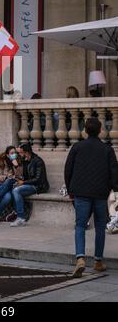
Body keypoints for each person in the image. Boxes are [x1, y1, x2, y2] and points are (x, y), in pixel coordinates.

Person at [65, 118, 118, 278]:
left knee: (80, 225)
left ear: (85, 130)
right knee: (100, 226)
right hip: (101, 193)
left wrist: (70, 190)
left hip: (81, 192)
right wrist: (115, 191)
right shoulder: (107, 149)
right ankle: (98, 261)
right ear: (100, 130)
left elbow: (68, 169)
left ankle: (80, 258)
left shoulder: (77, 147)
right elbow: (114, 173)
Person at [10, 143, 50, 227]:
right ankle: (17, 212)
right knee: (12, 186)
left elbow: (38, 179)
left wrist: (23, 183)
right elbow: (23, 176)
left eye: (20, 152)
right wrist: (16, 167)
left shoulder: (38, 161)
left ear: (26, 152)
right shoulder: (25, 161)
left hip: (39, 186)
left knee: (17, 190)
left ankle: (21, 217)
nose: (19, 154)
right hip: (29, 184)